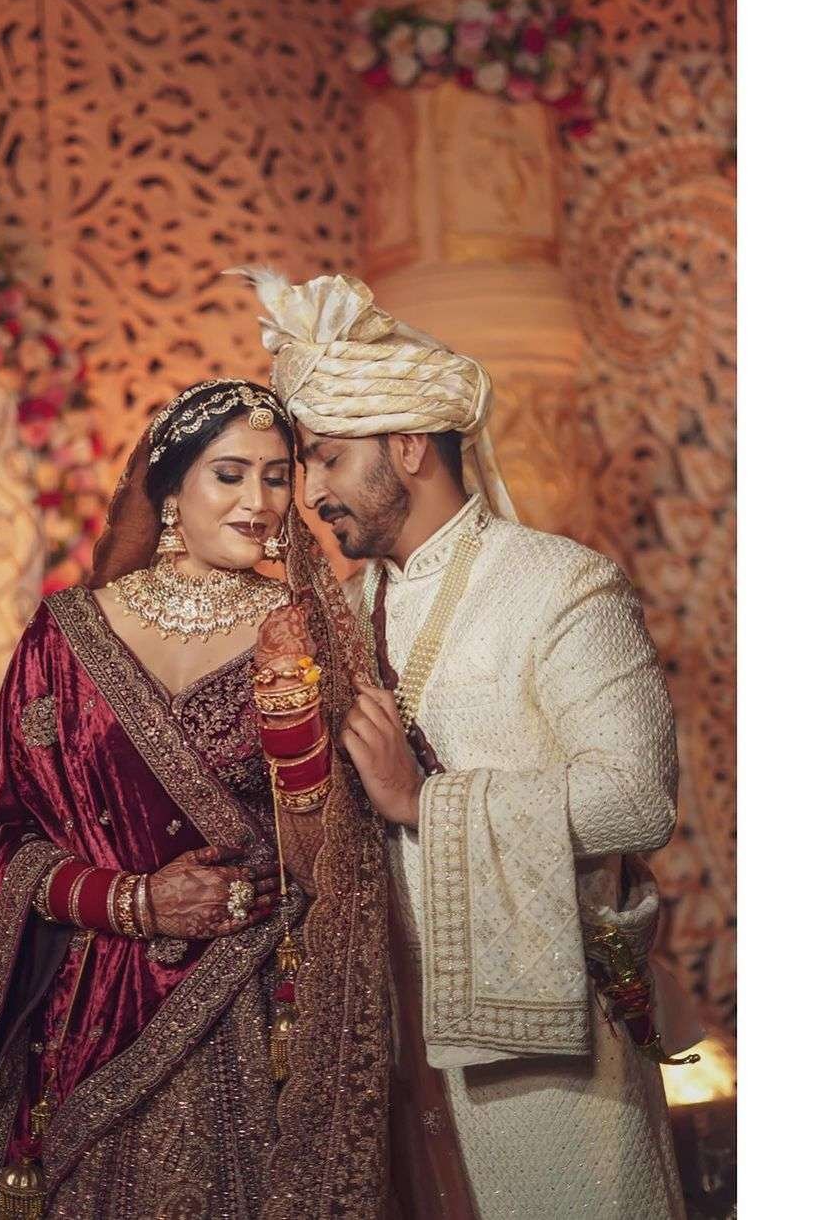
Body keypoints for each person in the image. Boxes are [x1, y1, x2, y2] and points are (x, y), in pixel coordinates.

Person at [233, 267, 698, 1220]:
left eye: (328, 459)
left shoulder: (560, 585)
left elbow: (637, 799)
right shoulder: (345, 612)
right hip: (390, 1039)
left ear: (407, 446)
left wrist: (424, 801)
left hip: (542, 1044)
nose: (310, 494)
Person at [0, 379, 390, 1220]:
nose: (259, 502)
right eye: (230, 474)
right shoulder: (66, 635)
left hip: (255, 1005)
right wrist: (135, 900)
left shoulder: (306, 630)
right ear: (169, 491)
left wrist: (294, 722)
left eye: (276, 476)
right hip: (91, 1010)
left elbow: (348, 854)